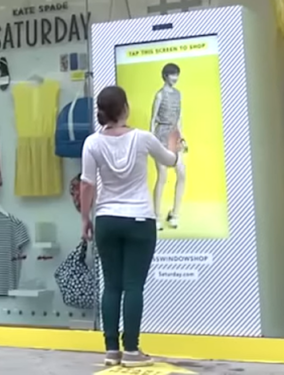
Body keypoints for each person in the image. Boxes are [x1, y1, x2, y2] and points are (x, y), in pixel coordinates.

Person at [80, 85, 180, 366]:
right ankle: (133, 351)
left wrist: (85, 219)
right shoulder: (143, 138)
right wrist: (173, 142)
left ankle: (111, 350)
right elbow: (170, 161)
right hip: (139, 220)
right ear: (125, 109)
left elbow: (87, 184)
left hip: (107, 220)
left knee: (111, 285)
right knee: (133, 286)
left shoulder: (92, 143)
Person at [150, 62, 188, 230]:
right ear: (165, 76)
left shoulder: (178, 94)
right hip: (160, 135)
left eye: (177, 74)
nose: (175, 78)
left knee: (181, 173)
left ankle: (175, 214)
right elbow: (152, 120)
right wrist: (151, 140)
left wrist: (182, 138)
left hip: (174, 135)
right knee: (162, 176)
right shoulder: (159, 95)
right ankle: (156, 216)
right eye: (173, 74)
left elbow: (179, 118)